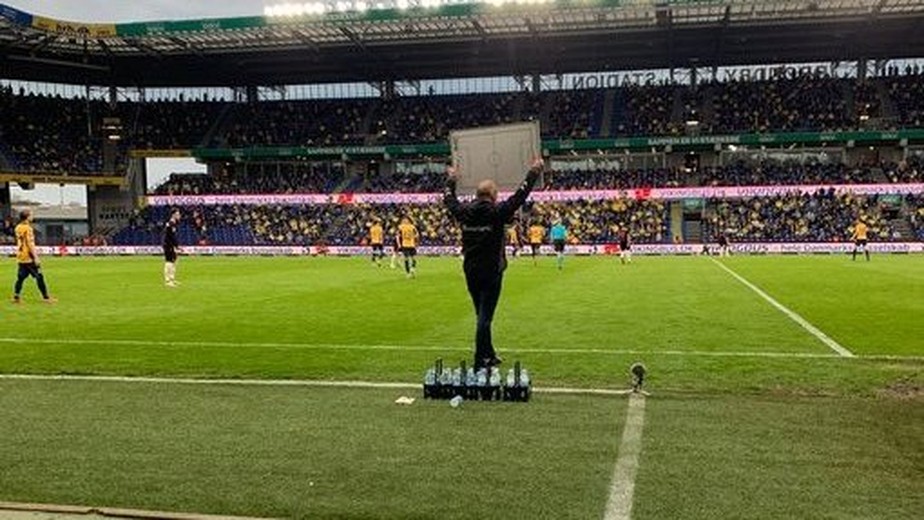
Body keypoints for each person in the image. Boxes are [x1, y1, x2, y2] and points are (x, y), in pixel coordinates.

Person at [444, 158, 543, 369]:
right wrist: (533, 172)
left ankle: (489, 353)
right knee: (485, 317)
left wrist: (451, 179)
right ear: (493, 195)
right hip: (491, 271)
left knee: (481, 313)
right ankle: (481, 360)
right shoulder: (497, 212)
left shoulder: (464, 212)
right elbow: (520, 195)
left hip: (470, 270)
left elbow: (449, 199)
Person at [12, 209, 56, 303]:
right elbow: (30, 243)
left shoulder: (18, 227)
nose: (32, 217)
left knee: (20, 278)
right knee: (39, 276)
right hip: (29, 256)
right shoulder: (28, 228)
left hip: (21, 256)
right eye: (31, 215)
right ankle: (46, 298)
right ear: (27, 217)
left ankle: (16, 297)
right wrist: (36, 257)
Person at [163, 209, 182, 287]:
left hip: (171, 245)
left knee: (174, 262)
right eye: (177, 214)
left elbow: (173, 236)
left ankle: (172, 279)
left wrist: (176, 246)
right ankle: (167, 281)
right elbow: (171, 236)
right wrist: (177, 246)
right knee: (169, 262)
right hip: (168, 245)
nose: (179, 215)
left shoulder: (173, 223)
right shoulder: (170, 223)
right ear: (173, 215)